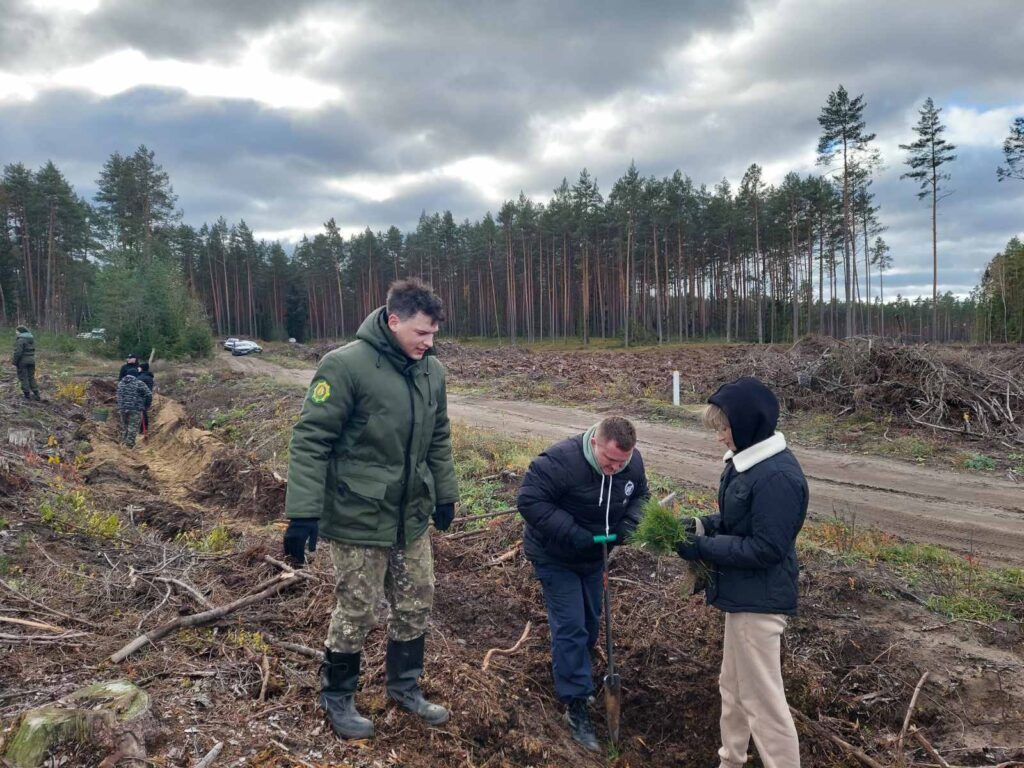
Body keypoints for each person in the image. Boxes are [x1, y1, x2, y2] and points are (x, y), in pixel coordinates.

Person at [282, 278, 459, 740]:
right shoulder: (345, 366)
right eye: (422, 332)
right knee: (357, 608)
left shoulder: (431, 371)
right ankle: (338, 698)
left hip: (411, 513)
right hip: (358, 514)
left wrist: (445, 493)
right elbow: (310, 440)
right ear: (393, 320)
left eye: (435, 333)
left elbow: (438, 437)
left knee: (417, 599)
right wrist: (303, 513)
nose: (429, 341)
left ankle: (404, 687)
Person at [675, 377, 808, 768]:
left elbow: (767, 548)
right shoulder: (747, 463)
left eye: (724, 428)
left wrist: (702, 548)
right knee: (732, 689)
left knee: (763, 703)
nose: (720, 438)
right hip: (743, 595)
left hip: (760, 602)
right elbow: (741, 523)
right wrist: (703, 524)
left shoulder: (777, 477)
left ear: (749, 423)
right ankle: (730, 760)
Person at [517, 416, 649, 752]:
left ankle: (576, 671)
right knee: (571, 626)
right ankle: (575, 704)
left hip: (594, 558)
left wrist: (629, 528)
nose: (614, 469)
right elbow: (530, 501)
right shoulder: (560, 461)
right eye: (609, 461)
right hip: (555, 555)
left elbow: (641, 498)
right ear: (595, 444)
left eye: (622, 462)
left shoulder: (630, 465)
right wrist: (575, 535)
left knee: (590, 625)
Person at [116, 369, 152, 448]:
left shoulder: (120, 383)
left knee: (125, 427)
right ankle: (129, 446)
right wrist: (146, 405)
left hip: (122, 408)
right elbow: (149, 394)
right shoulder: (139, 383)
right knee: (133, 428)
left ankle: (123, 443)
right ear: (136, 374)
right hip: (135, 409)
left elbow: (118, 395)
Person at [12, 325, 41, 401]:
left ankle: (27, 396)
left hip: (23, 362)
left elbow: (18, 352)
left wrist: (14, 362)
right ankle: (37, 394)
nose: (16, 333)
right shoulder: (31, 339)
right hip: (32, 361)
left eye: (17, 331)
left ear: (21, 332)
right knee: (31, 377)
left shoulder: (20, 340)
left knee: (24, 378)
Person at [136, 362, 155, 436]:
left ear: (142, 368)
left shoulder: (141, 377)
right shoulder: (149, 376)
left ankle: (143, 430)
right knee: (144, 412)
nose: (138, 369)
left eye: (139, 367)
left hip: (142, 397)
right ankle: (144, 429)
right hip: (148, 397)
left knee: (142, 413)